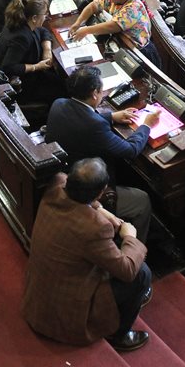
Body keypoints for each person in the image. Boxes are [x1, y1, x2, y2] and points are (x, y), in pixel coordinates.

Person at [21, 159, 152, 352]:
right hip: (66, 313)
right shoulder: (96, 228)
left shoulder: (56, 184)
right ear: (101, 191)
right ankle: (119, 335)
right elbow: (127, 270)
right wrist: (130, 237)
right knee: (141, 274)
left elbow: (69, 185)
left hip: (38, 298)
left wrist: (101, 210)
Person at [45, 68, 158, 245]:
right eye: (101, 90)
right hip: (84, 189)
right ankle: (134, 248)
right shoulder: (95, 126)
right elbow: (131, 150)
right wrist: (147, 125)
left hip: (61, 175)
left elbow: (80, 120)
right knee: (142, 200)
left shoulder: (58, 103)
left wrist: (111, 117)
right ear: (94, 94)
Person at [0, 0, 66, 119]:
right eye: (44, 14)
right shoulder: (21, 37)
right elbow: (8, 67)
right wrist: (36, 67)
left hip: (33, 75)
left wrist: (47, 49)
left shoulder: (23, 22)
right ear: (34, 18)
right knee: (63, 88)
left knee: (59, 79)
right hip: (23, 85)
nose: (46, 17)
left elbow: (43, 31)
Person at [68, 0, 160, 66]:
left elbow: (113, 26)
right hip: (123, 46)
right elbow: (93, 6)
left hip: (140, 54)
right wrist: (78, 23)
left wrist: (86, 30)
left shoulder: (134, 7)